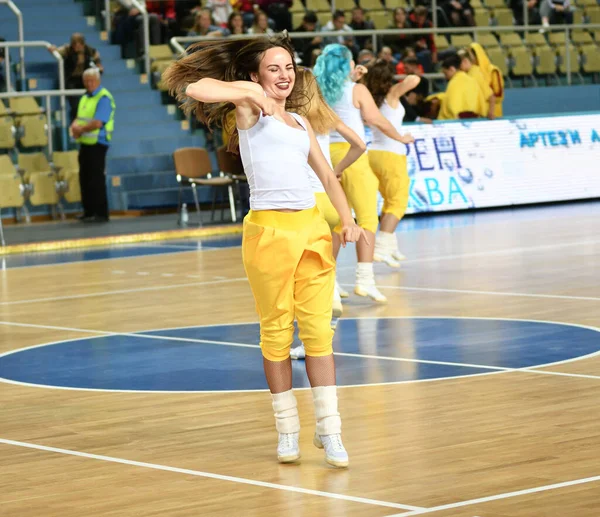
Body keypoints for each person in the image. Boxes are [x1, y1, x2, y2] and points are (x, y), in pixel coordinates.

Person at [163, 34, 366, 468]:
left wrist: (346, 219)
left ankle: (330, 429)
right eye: (274, 69)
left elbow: (329, 177)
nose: (284, 75)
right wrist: (251, 91)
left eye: (289, 68)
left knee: (318, 332)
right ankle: (287, 430)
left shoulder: (302, 123)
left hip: (311, 227)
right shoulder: (250, 111)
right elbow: (197, 88)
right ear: (256, 75)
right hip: (268, 231)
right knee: (276, 332)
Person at [315, 44, 414, 303]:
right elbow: (376, 119)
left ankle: (330, 283)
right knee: (367, 218)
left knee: (337, 220)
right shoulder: (356, 89)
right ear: (348, 64)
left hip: (326, 155)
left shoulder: (318, 89)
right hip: (353, 156)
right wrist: (400, 136)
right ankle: (364, 280)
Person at [289, 68, 366, 360]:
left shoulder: (289, 119)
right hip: (333, 203)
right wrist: (338, 168)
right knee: (325, 268)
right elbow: (359, 144)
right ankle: (318, 338)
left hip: (307, 203)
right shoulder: (327, 116)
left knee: (304, 278)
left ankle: (310, 338)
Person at [364, 60, 419, 266]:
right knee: (398, 203)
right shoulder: (392, 93)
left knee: (388, 200)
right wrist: (403, 75)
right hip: (391, 155)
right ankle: (382, 247)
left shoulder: (369, 97)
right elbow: (415, 80)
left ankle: (392, 245)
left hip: (374, 153)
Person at [70, 68, 115, 222]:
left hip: (98, 142)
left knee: (96, 179)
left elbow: (97, 122)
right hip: (85, 143)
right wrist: (74, 128)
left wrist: (80, 129)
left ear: (98, 81)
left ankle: (101, 213)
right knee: (85, 178)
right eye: (86, 81)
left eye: (92, 80)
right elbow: (79, 117)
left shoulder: (103, 98)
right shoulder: (85, 97)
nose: (89, 84)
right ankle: (88, 211)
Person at [49, 34, 103, 122]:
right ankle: (76, 119)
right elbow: (57, 51)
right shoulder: (67, 49)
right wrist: (53, 49)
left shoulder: (89, 50)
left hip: (83, 78)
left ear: (82, 44)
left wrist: (99, 65)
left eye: (78, 44)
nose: (76, 47)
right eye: (74, 44)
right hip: (71, 79)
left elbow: (96, 56)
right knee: (74, 102)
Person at [436, 54, 480, 120]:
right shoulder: (472, 80)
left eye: (445, 73)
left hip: (454, 122)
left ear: (452, 69)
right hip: (472, 120)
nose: (445, 77)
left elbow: (452, 105)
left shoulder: (454, 82)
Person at [469, 43, 504, 118]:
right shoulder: (471, 72)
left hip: (493, 114)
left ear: (477, 56)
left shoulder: (493, 70)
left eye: (471, 57)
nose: (470, 60)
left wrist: (485, 97)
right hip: (478, 113)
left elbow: (498, 95)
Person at [458, 49, 495, 119]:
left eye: (458, 64)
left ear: (465, 61)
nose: (458, 68)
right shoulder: (469, 74)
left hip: (480, 117)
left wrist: (491, 113)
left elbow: (491, 96)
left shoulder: (475, 75)